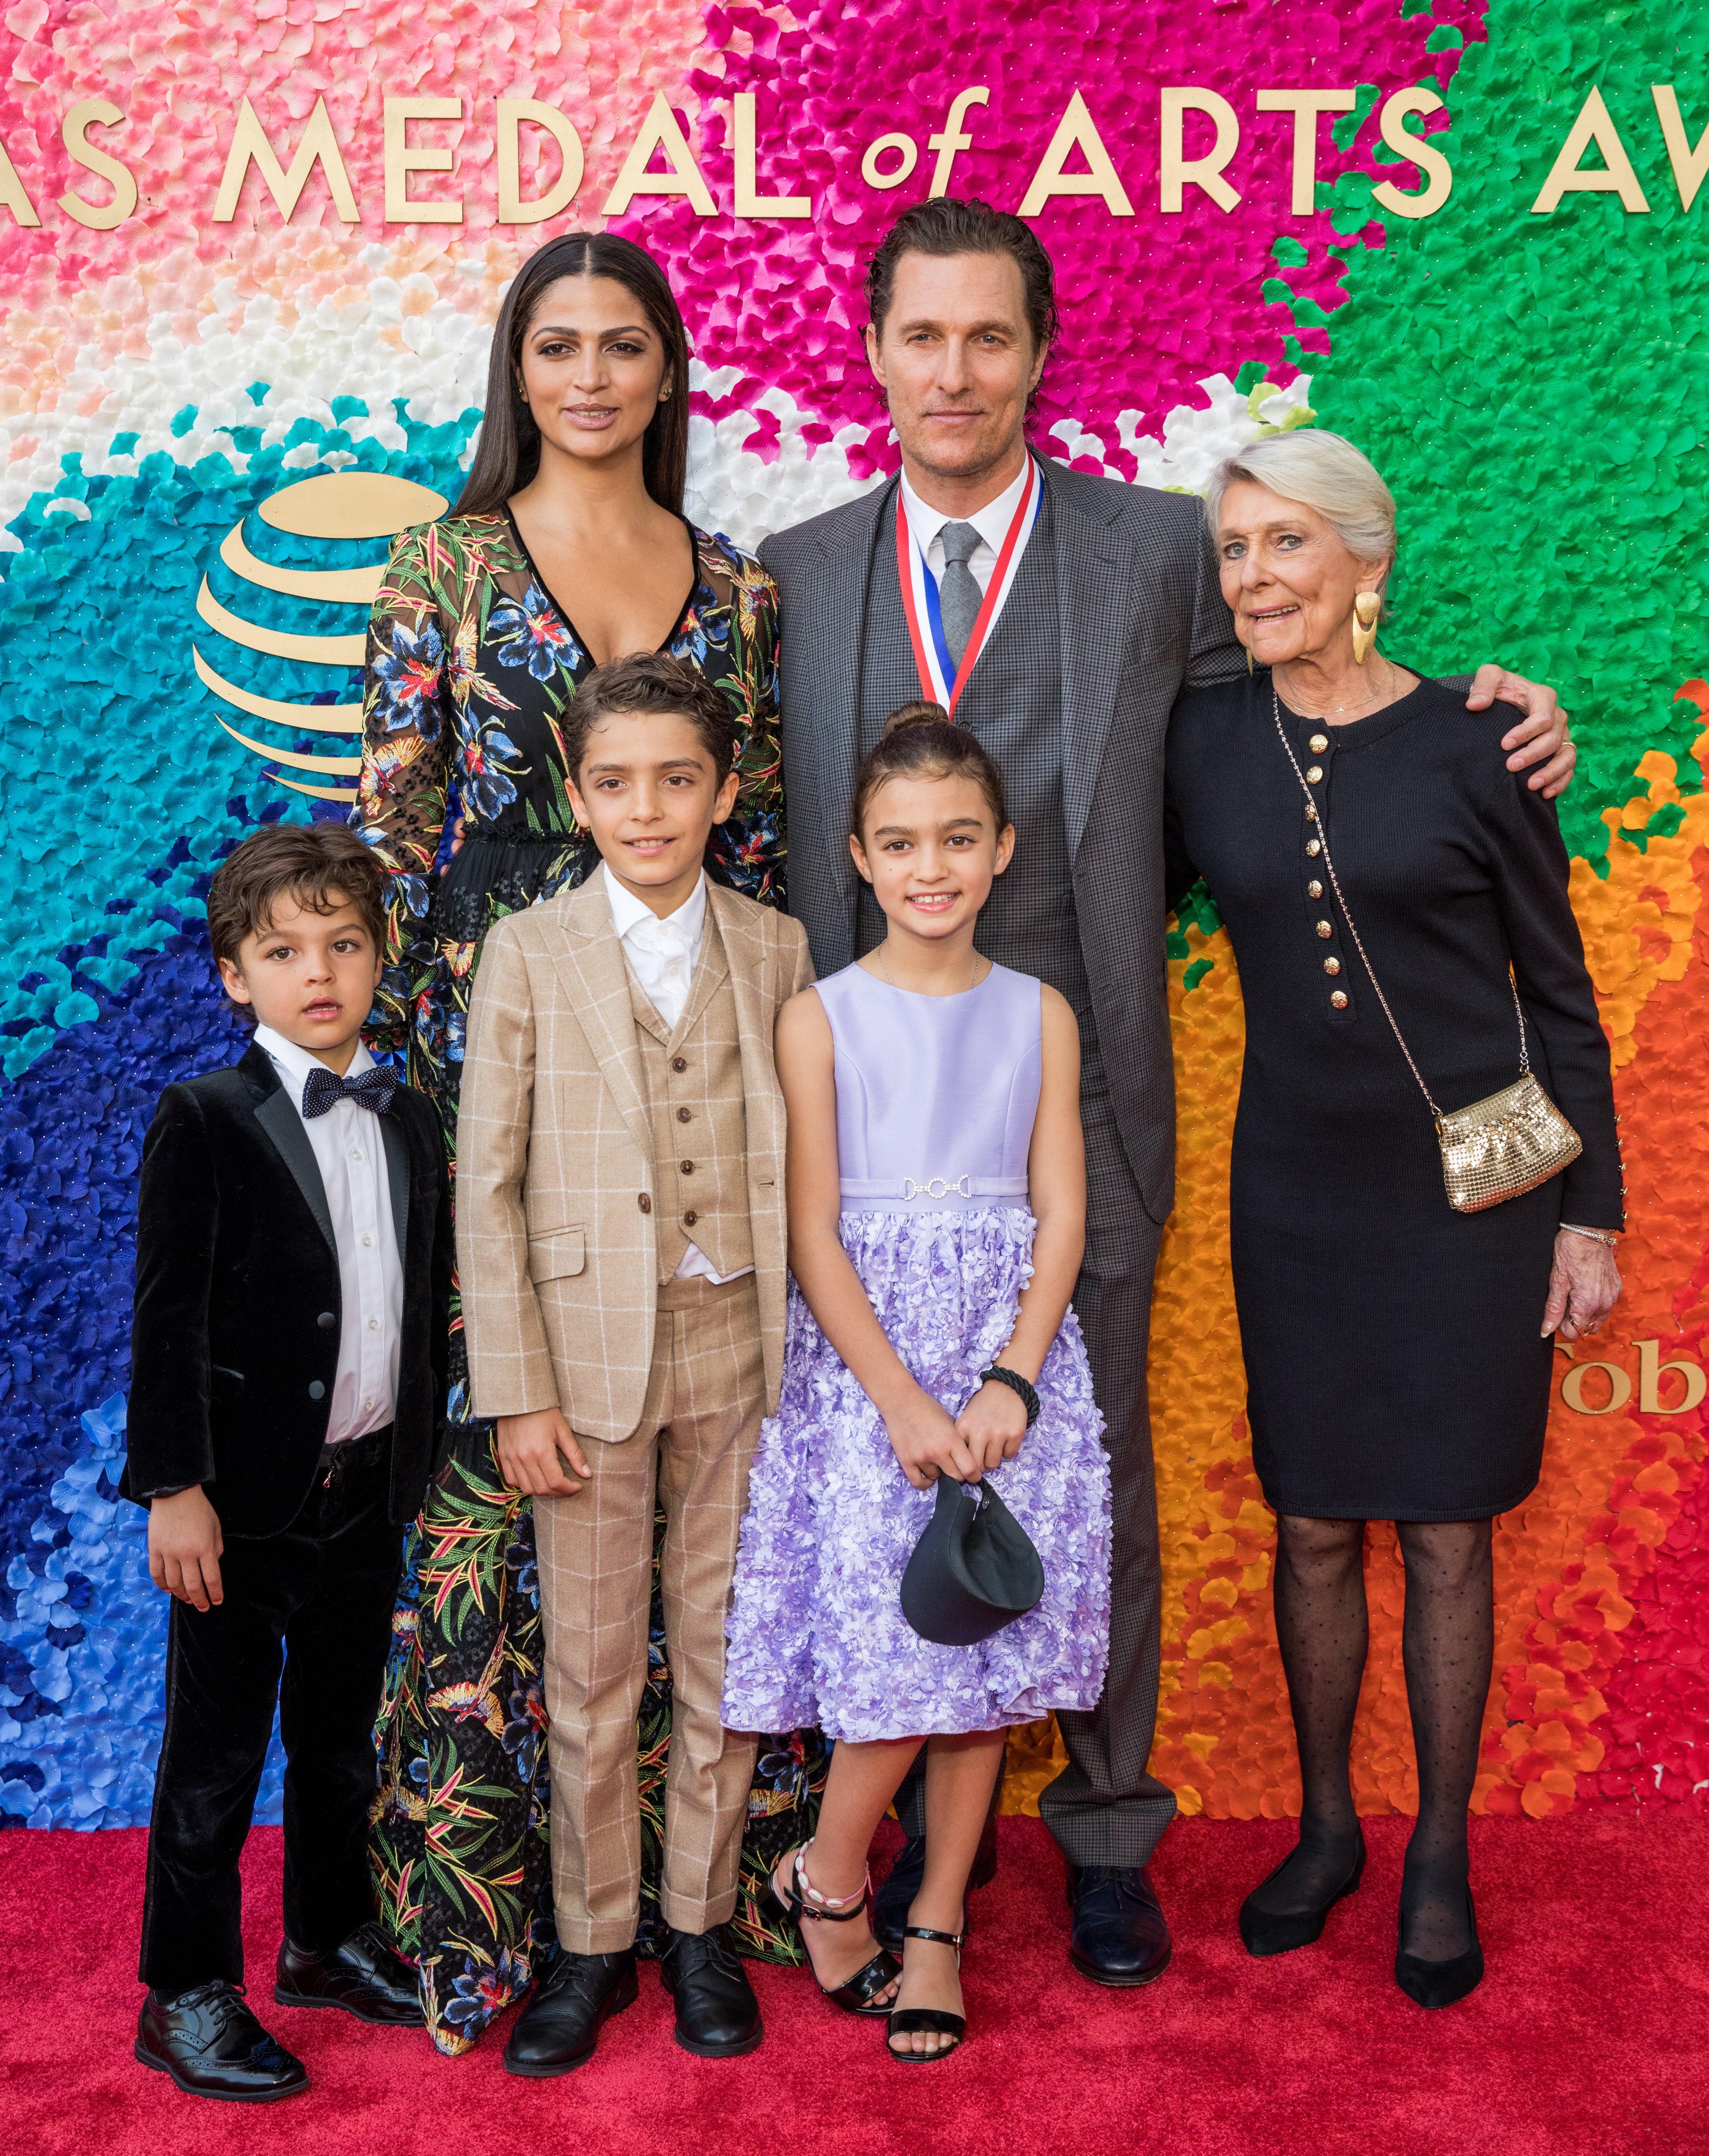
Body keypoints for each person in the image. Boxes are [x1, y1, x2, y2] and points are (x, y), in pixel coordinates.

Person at [760, 195, 1579, 1983]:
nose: (955, 371)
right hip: (858, 1141)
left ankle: (1107, 1832)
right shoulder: (799, 568)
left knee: (1082, 1472)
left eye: (991, 336)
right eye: (923, 335)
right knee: (866, 1465)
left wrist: (1487, 714)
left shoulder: (1151, 554)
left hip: (1084, 1119)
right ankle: (893, 1839)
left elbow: (1311, 713)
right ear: (876, 350)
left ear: (1040, 354)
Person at [356, 231, 815, 2052]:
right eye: (559, 346)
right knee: (526, 1523)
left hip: (701, 1106)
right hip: (506, 1082)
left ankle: (706, 1915)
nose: (593, 377)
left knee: (713, 1575)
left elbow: (764, 852)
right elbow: (398, 835)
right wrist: (444, 1085)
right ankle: (540, 1920)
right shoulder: (443, 567)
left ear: (667, 370)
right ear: (514, 368)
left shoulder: (744, 589)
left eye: (627, 346)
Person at [1162, 429, 1623, 2007]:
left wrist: (1588, 1222)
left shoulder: (1478, 746)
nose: (1253, 579)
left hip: (1473, 1194)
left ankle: (1434, 1849)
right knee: (1306, 1524)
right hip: (1291, 1191)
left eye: (1286, 545)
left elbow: (1557, 1006)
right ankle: (1322, 1831)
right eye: (1233, 550)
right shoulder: (1199, 734)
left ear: (1366, 561)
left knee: (1439, 1530)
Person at [723, 704, 1112, 2061]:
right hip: (866, 1376)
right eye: (899, 843)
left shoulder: (1040, 1013)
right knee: (899, 1662)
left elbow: (1059, 1215)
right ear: (858, 856)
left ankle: (936, 1916)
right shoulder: (816, 1018)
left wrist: (1010, 1377)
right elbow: (812, 1230)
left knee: (987, 1660)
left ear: (1001, 849)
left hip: (1009, 1368)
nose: (929, 865)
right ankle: (828, 1875)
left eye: (956, 837)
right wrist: (898, 1398)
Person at [454, 651, 812, 2074]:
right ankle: (592, 1943)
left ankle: (699, 1928)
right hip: (584, 1371)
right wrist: (518, 1388)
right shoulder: (528, 953)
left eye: (677, 780)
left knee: (724, 1660)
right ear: (578, 796)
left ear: (724, 792)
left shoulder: (778, 947)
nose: (648, 808)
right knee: (593, 1676)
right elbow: (487, 1184)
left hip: (739, 1349)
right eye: (616, 783)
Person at [122, 823, 453, 2102]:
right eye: (283, 950)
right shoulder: (203, 1119)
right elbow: (167, 1320)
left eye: (344, 944)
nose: (318, 971)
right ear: (233, 976)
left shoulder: (409, 1115)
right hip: (238, 1507)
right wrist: (175, 1486)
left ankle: (323, 1939)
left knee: (338, 1745)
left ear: (378, 960)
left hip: (366, 1492)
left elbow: (416, 1306)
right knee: (211, 1759)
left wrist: (416, 1463)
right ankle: (186, 1991)